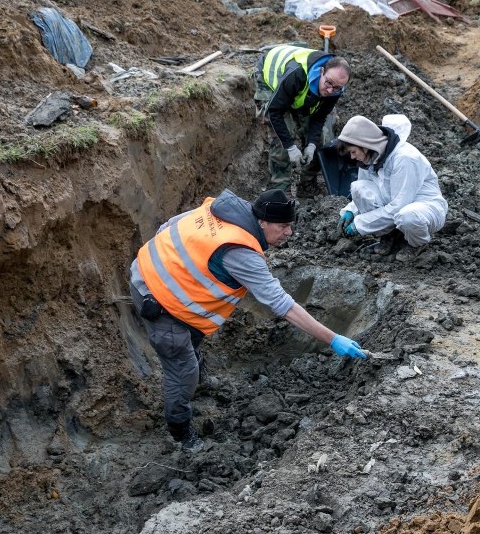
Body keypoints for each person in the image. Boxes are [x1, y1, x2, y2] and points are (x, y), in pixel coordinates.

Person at [128, 189, 366, 450]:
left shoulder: (223, 210)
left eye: (291, 225)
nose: (289, 233)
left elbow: (168, 227)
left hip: (148, 267)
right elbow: (281, 304)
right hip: (157, 299)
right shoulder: (240, 252)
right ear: (262, 222)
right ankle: (180, 433)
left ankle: (201, 379)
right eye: (283, 226)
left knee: (192, 335)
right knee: (182, 370)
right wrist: (332, 339)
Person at [335, 114, 448, 262]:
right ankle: (390, 235)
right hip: (396, 207)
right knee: (358, 188)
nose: (352, 157)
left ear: (365, 144)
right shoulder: (369, 157)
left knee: (407, 216)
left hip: (423, 209)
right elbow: (367, 190)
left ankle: (417, 243)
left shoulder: (405, 158)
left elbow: (399, 206)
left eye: (353, 151)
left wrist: (360, 224)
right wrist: (350, 210)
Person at [253, 45, 351, 195]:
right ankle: (279, 189)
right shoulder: (297, 74)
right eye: (328, 83)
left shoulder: (336, 88)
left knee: (322, 140)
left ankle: (306, 184)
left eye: (337, 87)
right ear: (322, 71)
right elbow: (274, 112)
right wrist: (290, 147)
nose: (331, 90)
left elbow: (319, 117)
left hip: (299, 91)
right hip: (270, 77)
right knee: (282, 139)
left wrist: (311, 144)